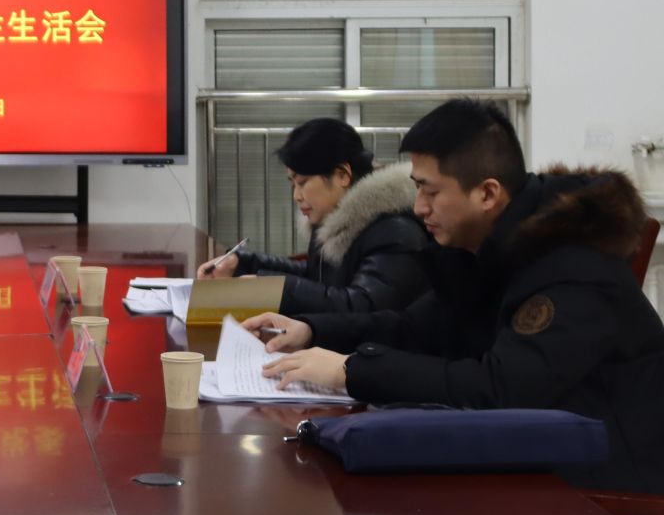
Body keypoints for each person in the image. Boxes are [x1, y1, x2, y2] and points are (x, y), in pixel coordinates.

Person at [248, 100, 664, 493]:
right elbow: (412, 327)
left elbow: (501, 389)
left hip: (605, 485)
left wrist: (351, 370)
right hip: (537, 456)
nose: (418, 208)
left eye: (430, 192)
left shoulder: (571, 262)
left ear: (487, 194)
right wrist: (312, 330)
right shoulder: (486, 243)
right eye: (417, 189)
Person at [197, 117, 428, 314]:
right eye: (292, 184)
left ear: (342, 175)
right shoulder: (336, 217)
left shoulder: (395, 230)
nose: (297, 196)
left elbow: (361, 306)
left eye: (303, 182)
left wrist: (270, 290)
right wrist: (243, 264)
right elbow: (315, 277)